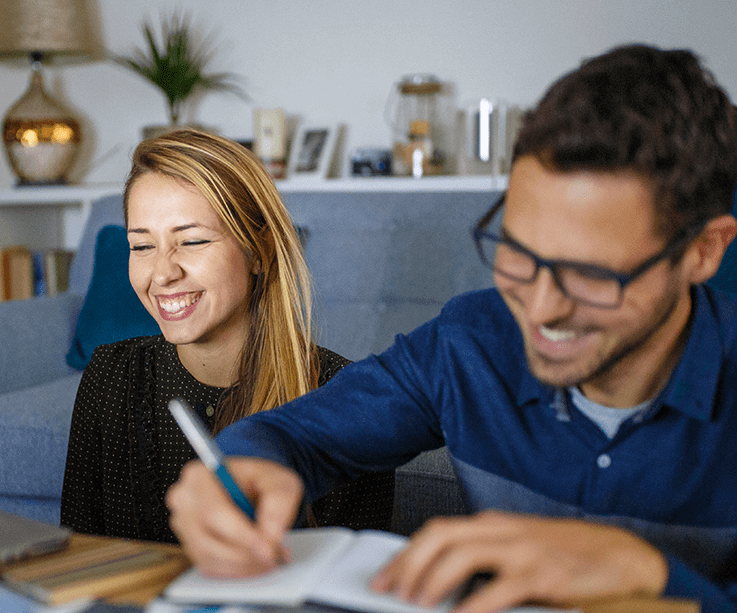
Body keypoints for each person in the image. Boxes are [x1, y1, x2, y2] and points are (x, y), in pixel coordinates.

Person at [166, 45, 737, 612]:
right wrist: (243, 468)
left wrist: (645, 570)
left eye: (590, 274)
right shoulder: (470, 340)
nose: (538, 310)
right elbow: (295, 436)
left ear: (704, 252)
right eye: (516, 251)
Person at [60, 129, 394, 543]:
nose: (162, 273)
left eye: (193, 241)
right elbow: (77, 556)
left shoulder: (344, 398)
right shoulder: (110, 375)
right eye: (142, 246)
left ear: (259, 251)